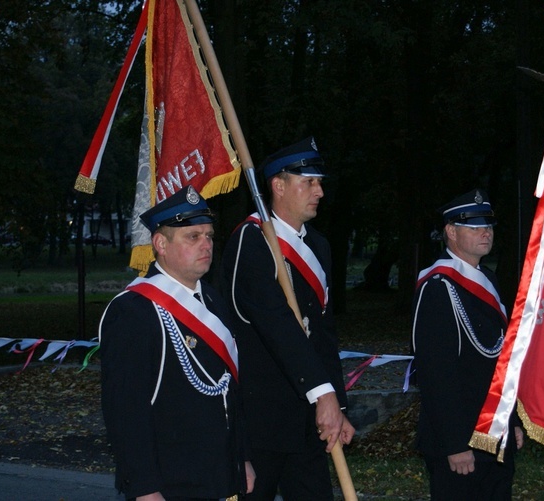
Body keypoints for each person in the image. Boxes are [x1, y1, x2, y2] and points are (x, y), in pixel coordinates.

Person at [100, 185, 254, 501]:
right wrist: (144, 488)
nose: (206, 245)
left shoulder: (211, 300)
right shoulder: (134, 310)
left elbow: (229, 394)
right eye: (192, 237)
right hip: (172, 482)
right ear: (161, 244)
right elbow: (126, 411)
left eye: (209, 236)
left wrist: (242, 459)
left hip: (221, 476)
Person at [221, 137, 354, 500]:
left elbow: (324, 335)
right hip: (261, 418)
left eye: (319, 182)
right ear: (278, 186)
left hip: (308, 420)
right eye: (309, 182)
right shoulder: (251, 240)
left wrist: (337, 405)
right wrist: (323, 393)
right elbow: (275, 323)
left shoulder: (318, 245)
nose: (320, 191)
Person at [411, 189, 524, 500]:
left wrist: (511, 421)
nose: (485, 233)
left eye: (487, 225)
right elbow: (436, 374)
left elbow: (498, 363)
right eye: (474, 226)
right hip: (459, 437)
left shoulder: (488, 279)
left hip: (494, 431)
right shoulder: (438, 287)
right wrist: (455, 443)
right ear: (451, 231)